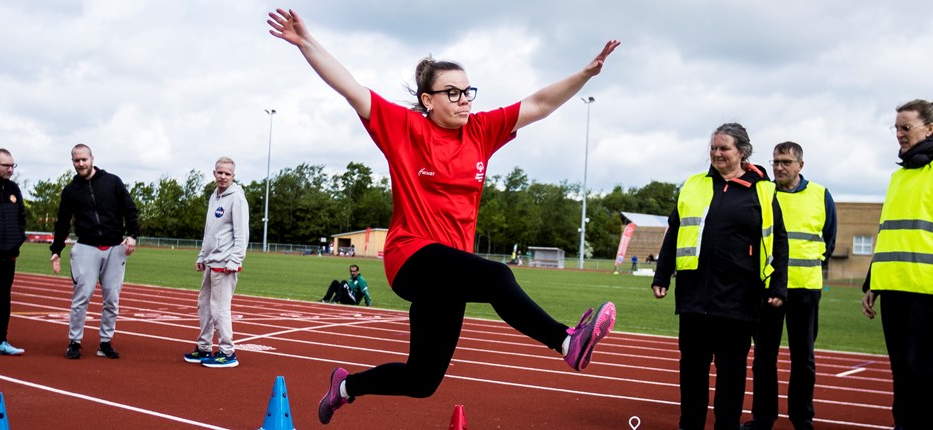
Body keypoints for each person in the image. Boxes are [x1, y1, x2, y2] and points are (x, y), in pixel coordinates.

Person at [267, 9, 618, 425]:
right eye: (452, 92)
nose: (465, 98)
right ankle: (565, 342)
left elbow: (540, 104)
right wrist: (306, 42)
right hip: (411, 257)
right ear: (427, 100)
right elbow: (350, 87)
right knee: (498, 277)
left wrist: (585, 74)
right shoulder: (403, 128)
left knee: (422, 380)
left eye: (469, 90)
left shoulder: (481, 131)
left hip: (451, 268)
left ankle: (344, 387)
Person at [651, 123, 788, 430]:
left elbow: (778, 239)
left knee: (732, 373)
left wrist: (778, 284)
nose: (716, 153)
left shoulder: (763, 190)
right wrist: (662, 275)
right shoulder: (693, 184)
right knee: (692, 372)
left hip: (739, 297)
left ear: (742, 152)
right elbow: (675, 231)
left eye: (724, 148)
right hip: (694, 295)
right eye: (713, 147)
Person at [742, 142, 837, 430]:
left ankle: (802, 418)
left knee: (803, 359)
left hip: (805, 290)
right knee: (763, 359)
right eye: (775, 162)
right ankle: (763, 418)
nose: (779, 167)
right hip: (768, 291)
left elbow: (829, 240)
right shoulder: (764, 193)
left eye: (785, 162)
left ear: (800, 165)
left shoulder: (821, 195)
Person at [862, 99, 933, 430]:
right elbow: (888, 235)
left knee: (921, 370)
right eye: (897, 128)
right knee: (902, 372)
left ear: (930, 129)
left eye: (907, 128)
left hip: (926, 291)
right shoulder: (898, 177)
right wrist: (872, 282)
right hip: (893, 288)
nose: (900, 135)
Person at [50, 144, 139, 360]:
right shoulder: (70, 191)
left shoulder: (112, 182)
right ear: (72, 161)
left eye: (84, 159)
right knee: (82, 296)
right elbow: (62, 222)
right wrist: (57, 250)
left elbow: (129, 209)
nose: (80, 164)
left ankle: (105, 342)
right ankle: (75, 342)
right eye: (76, 160)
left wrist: (133, 235)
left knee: (112, 298)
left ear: (92, 159)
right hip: (86, 247)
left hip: (115, 248)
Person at [183, 157, 249, 369]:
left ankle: (227, 352)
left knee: (220, 308)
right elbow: (209, 231)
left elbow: (242, 234)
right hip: (211, 261)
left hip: (225, 263)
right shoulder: (215, 196)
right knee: (204, 305)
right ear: (214, 173)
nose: (223, 177)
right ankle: (204, 347)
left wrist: (235, 260)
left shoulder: (237, 198)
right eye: (220, 173)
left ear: (233, 176)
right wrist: (202, 256)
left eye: (227, 174)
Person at [0, 149, 26, 356]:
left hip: (8, 254)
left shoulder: (14, 188)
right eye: (6, 165)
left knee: (4, 298)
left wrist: (17, 241)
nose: (10, 169)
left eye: (13, 165)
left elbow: (21, 217)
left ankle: (0, 342)